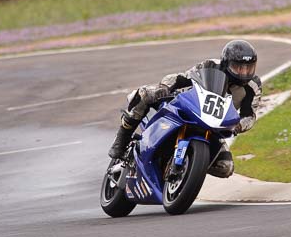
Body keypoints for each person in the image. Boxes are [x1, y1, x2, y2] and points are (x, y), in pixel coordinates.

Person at [108, 40, 262, 178]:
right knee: (144, 94)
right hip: (189, 107)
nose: (244, 73)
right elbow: (182, 77)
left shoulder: (254, 86)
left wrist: (239, 125)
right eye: (238, 68)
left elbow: (250, 115)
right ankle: (121, 139)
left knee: (226, 168)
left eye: (249, 68)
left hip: (216, 127)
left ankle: (191, 166)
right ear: (227, 63)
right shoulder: (211, 65)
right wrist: (165, 87)